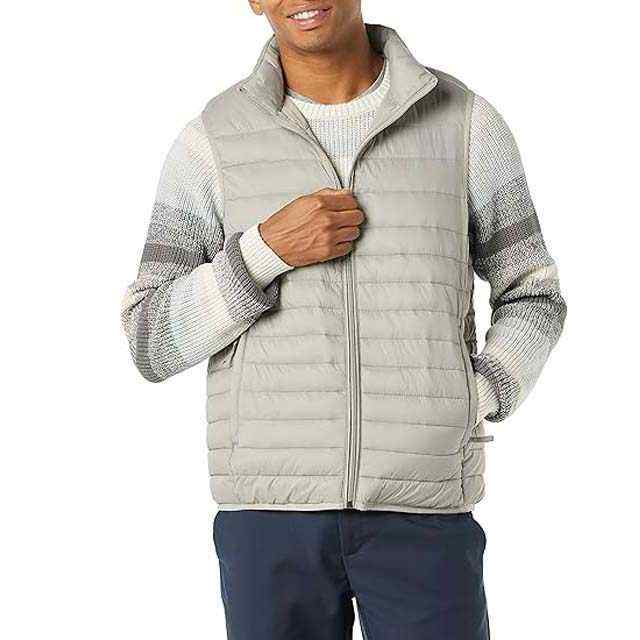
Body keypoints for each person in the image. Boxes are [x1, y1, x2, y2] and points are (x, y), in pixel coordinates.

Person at [121, 2, 566, 638]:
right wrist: (262, 252)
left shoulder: (464, 124)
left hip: (425, 509)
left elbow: (534, 292)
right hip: (269, 515)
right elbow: (150, 338)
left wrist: (477, 392)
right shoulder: (212, 141)